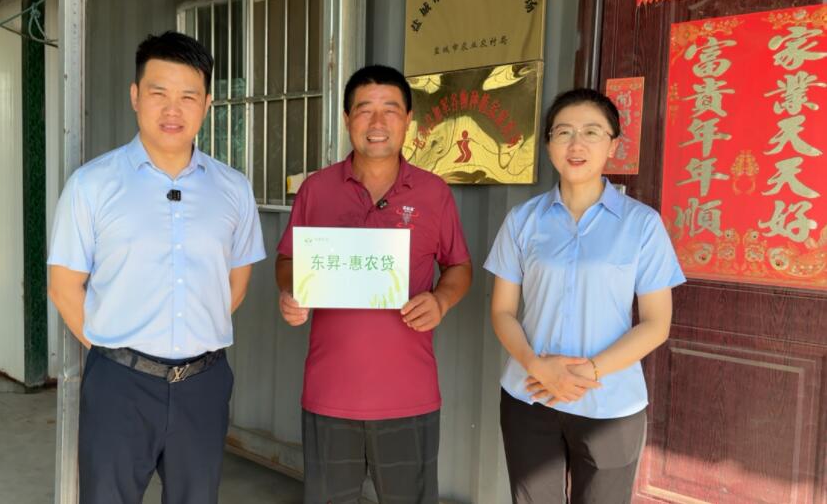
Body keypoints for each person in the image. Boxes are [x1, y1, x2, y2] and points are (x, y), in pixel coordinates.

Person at [47, 31, 265, 504]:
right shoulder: (92, 185)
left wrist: (186, 335)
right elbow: (64, 286)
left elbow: (236, 281)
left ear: (206, 104)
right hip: (119, 384)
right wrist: (121, 349)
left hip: (203, 384)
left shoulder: (233, 188)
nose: (173, 110)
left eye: (188, 96)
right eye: (158, 93)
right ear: (135, 96)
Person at [275, 64, 473, 504]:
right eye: (365, 110)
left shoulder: (433, 193)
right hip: (330, 393)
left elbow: (459, 266)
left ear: (408, 120)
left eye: (391, 110)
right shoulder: (316, 190)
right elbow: (287, 259)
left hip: (409, 395)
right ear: (347, 118)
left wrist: (441, 300)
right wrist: (291, 291)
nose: (377, 122)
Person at [484, 88, 685, 503]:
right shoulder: (522, 220)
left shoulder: (642, 225)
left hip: (609, 402)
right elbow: (502, 311)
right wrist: (538, 367)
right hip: (529, 395)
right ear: (548, 144)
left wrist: (587, 373)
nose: (576, 144)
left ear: (613, 144)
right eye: (564, 132)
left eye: (592, 132)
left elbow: (656, 323)